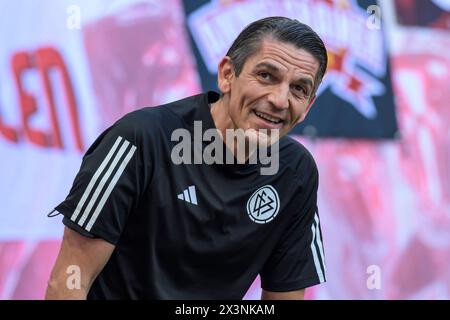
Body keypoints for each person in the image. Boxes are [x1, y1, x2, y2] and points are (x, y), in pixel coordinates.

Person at [45, 16, 327, 300]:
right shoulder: (140, 138)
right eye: (267, 76)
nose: (280, 100)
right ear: (227, 74)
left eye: (298, 89)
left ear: (308, 106)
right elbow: (68, 282)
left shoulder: (296, 172)